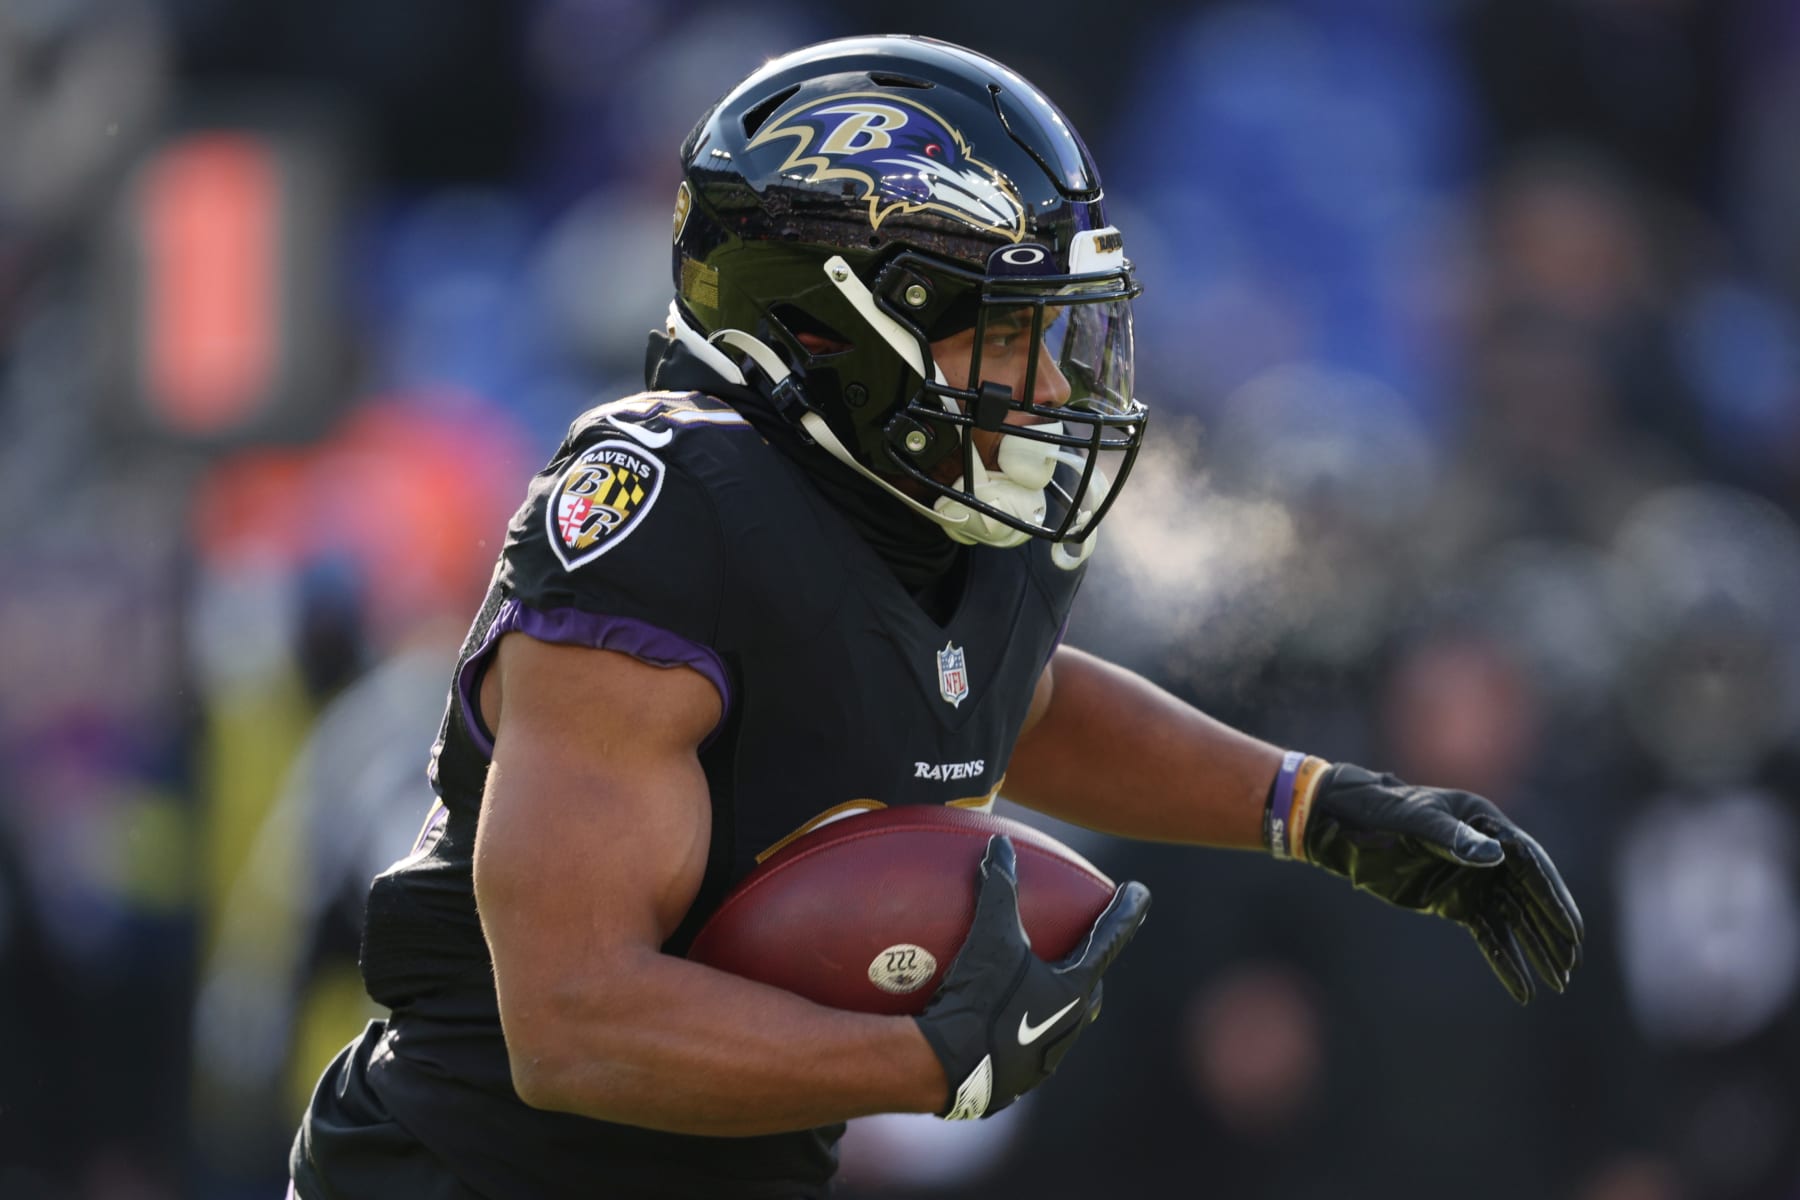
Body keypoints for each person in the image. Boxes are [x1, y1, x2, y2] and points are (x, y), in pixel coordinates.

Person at [290, 34, 1584, 1200]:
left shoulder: (942, 510)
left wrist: (1313, 809)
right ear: (829, 326)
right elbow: (570, 1028)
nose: (1053, 380)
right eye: (1003, 333)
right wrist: (922, 1058)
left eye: (1062, 333)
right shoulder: (677, 510)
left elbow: (1006, 695)